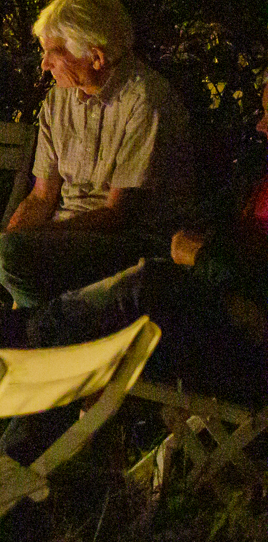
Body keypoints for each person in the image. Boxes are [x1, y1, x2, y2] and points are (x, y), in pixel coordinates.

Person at [24, 77, 268, 404]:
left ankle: (28, 342)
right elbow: (207, 222)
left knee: (146, 289)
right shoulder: (257, 172)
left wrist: (204, 258)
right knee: (125, 281)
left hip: (247, 343)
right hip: (218, 299)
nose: (260, 125)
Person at [0, 0, 195, 310]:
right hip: (59, 235)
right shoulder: (59, 100)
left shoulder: (146, 102)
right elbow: (41, 196)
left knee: (9, 255)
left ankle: (44, 325)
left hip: (124, 240)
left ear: (96, 57)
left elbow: (119, 214)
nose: (44, 64)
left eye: (54, 53)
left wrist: (22, 243)